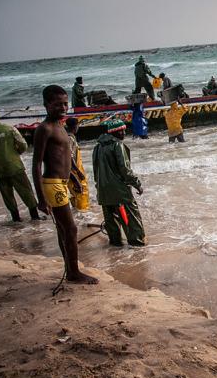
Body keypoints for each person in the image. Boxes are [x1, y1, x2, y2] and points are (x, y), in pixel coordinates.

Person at [32, 85, 98, 284]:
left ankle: (70, 270)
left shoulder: (60, 126)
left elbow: (63, 159)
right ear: (46, 105)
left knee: (64, 230)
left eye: (65, 104)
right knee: (70, 229)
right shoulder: (45, 129)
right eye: (57, 104)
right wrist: (41, 198)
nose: (62, 108)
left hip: (62, 183)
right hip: (52, 184)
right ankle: (74, 273)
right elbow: (36, 164)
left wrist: (74, 178)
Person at [0, 111, 42, 222]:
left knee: (7, 195)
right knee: (25, 191)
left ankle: (16, 218)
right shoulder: (9, 128)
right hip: (14, 165)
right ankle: (35, 216)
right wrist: (15, 153)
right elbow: (23, 145)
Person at [93, 119, 145, 247]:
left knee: (111, 220)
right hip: (120, 190)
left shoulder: (97, 147)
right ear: (116, 132)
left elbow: (95, 170)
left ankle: (116, 244)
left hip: (103, 190)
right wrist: (137, 184)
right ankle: (137, 242)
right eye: (122, 130)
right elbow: (125, 169)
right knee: (131, 218)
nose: (124, 132)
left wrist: (98, 187)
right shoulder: (118, 145)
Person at [65, 118, 89, 211]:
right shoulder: (70, 138)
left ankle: (78, 219)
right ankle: (82, 219)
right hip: (74, 173)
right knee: (80, 196)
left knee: (75, 197)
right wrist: (78, 172)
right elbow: (69, 157)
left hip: (72, 173)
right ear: (75, 126)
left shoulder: (69, 137)